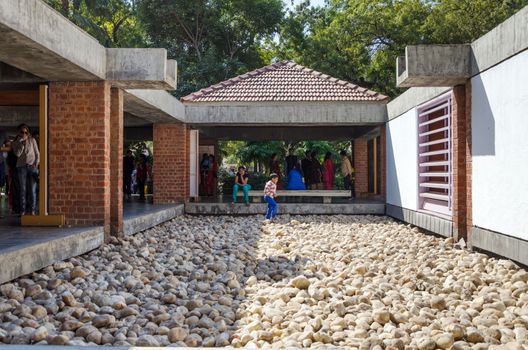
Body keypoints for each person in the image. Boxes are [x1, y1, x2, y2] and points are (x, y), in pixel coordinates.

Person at [11, 124, 39, 215]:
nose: (24, 134)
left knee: (32, 190)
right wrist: (21, 144)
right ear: (19, 133)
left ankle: (32, 211)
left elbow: (37, 153)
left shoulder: (32, 140)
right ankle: (23, 211)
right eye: (22, 132)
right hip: (21, 167)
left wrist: (36, 163)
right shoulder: (15, 142)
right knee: (23, 190)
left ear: (28, 132)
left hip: (32, 166)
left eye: (26, 132)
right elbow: (18, 154)